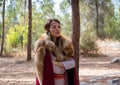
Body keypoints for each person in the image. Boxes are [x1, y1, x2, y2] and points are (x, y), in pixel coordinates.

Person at [34, 18, 78, 85]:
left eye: (59, 27)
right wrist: (64, 65)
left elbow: (72, 63)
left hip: (64, 81)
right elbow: (41, 68)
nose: (57, 29)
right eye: (54, 27)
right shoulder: (43, 47)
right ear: (48, 29)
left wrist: (53, 63)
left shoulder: (65, 44)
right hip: (50, 81)